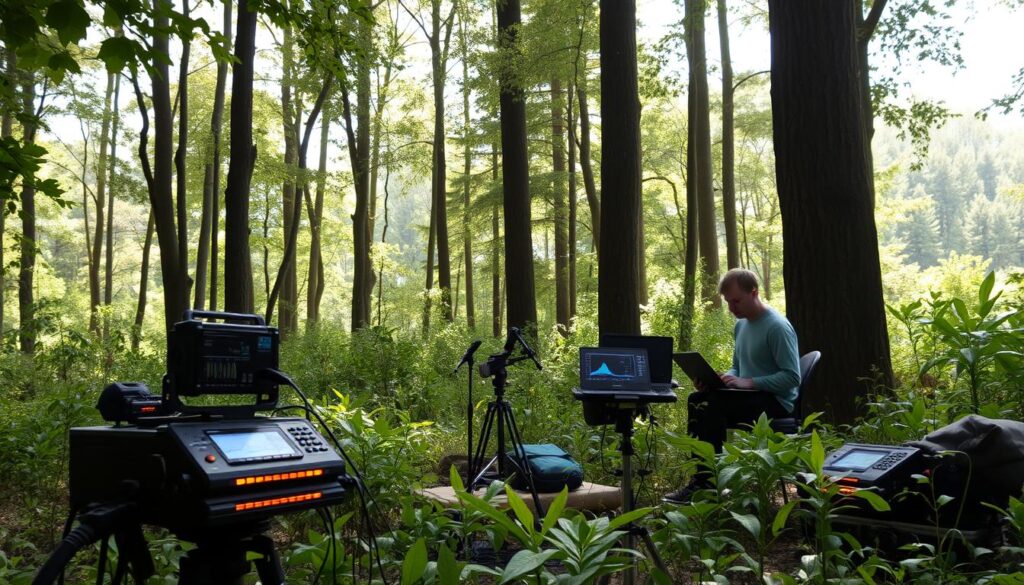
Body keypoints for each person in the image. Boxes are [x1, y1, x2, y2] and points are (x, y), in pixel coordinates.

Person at [663, 268, 801, 504]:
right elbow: (738, 367)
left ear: (754, 293)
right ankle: (703, 476)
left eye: (736, 301)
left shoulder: (777, 327)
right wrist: (724, 379)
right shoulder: (742, 325)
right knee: (698, 400)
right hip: (751, 396)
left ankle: (708, 484)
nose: (731, 308)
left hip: (777, 402)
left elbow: (792, 377)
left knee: (713, 404)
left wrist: (749, 382)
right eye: (728, 302)